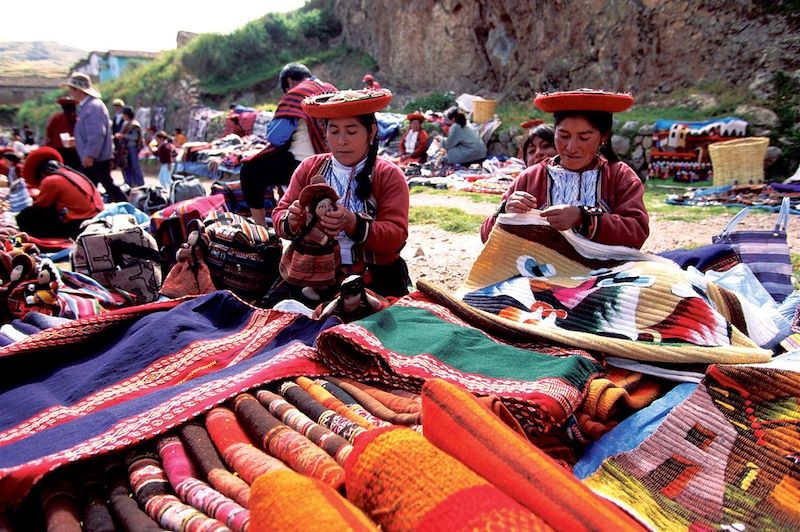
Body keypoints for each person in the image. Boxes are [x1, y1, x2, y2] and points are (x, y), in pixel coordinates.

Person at [269, 88, 410, 303]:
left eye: (351, 132)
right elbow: (279, 214)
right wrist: (293, 219)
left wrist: (352, 222)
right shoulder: (309, 168)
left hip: (375, 276)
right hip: (311, 275)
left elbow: (396, 236)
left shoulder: (388, 175)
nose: (342, 140)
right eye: (334, 131)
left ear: (370, 133)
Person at [479, 89, 649, 248]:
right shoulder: (530, 177)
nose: (571, 147)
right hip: (541, 272)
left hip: (606, 272)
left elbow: (637, 231)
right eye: (564, 136)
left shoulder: (619, 175)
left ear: (603, 137)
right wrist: (506, 211)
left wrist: (583, 218)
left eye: (584, 137)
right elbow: (486, 236)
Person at [240, 63, 337, 227]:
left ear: (290, 81)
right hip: (332, 161)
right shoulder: (330, 89)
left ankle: (261, 228)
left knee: (250, 170)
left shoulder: (296, 94)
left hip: (304, 163)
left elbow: (277, 137)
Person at [60, 73, 127, 202]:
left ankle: (127, 208)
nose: (70, 93)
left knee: (102, 186)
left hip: (96, 158)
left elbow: (97, 134)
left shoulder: (93, 107)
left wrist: (90, 154)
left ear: (77, 90)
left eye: (71, 89)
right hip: (95, 156)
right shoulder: (88, 106)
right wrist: (77, 142)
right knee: (91, 188)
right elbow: (91, 133)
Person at [16, 147, 104, 239]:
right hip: (95, 218)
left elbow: (40, 206)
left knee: (24, 217)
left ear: (41, 173)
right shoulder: (73, 174)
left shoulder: (51, 180)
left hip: (79, 224)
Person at [278, 181, 342, 301]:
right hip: (313, 251)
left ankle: (323, 284)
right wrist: (324, 239)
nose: (328, 210)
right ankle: (311, 288)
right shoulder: (309, 221)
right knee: (313, 273)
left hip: (327, 250)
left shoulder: (325, 218)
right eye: (323, 207)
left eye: (329, 206)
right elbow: (314, 234)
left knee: (326, 271)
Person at [43, 96, 81, 170]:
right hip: (74, 150)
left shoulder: (56, 118)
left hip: (59, 150)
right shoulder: (78, 118)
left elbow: (49, 133)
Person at [115, 106, 145, 188]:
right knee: (125, 165)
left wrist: (123, 136)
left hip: (132, 147)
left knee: (135, 165)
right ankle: (128, 182)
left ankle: (140, 183)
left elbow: (134, 137)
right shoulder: (125, 123)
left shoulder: (134, 124)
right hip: (125, 148)